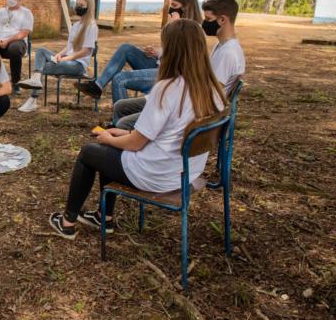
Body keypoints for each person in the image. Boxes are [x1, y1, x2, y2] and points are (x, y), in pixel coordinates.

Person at [48, 19, 226, 238]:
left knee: (89, 152)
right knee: (110, 148)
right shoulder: (214, 89)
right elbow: (162, 134)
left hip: (156, 174)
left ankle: (67, 222)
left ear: (172, 50)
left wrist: (108, 139)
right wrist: (121, 133)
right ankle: (105, 216)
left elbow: (135, 144)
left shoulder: (167, 89)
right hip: (184, 171)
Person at [112, 0, 245, 130]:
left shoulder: (229, 53)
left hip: (191, 110)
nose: (205, 23)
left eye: (209, 19)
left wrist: (172, 96)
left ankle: (122, 140)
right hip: (187, 101)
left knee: (124, 122)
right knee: (121, 107)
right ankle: (118, 136)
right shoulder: (222, 46)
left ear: (222, 20)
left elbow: (209, 92)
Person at [78, 0, 203, 103]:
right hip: (159, 64)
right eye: (171, 5)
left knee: (120, 79)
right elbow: (167, 50)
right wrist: (157, 52)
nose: (171, 9)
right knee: (126, 48)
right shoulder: (175, 24)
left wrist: (174, 29)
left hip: (170, 73)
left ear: (186, 7)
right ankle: (98, 86)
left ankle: (119, 122)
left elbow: (181, 57)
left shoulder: (195, 29)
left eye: (175, 6)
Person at [17, 0, 99, 113]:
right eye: (77, 4)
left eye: (81, 5)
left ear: (89, 8)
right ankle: (35, 80)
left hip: (78, 65)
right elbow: (69, 47)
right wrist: (58, 55)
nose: (78, 7)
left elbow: (86, 51)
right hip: (67, 59)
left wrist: (67, 59)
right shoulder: (76, 25)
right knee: (41, 51)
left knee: (42, 68)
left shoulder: (92, 26)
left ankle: (33, 100)